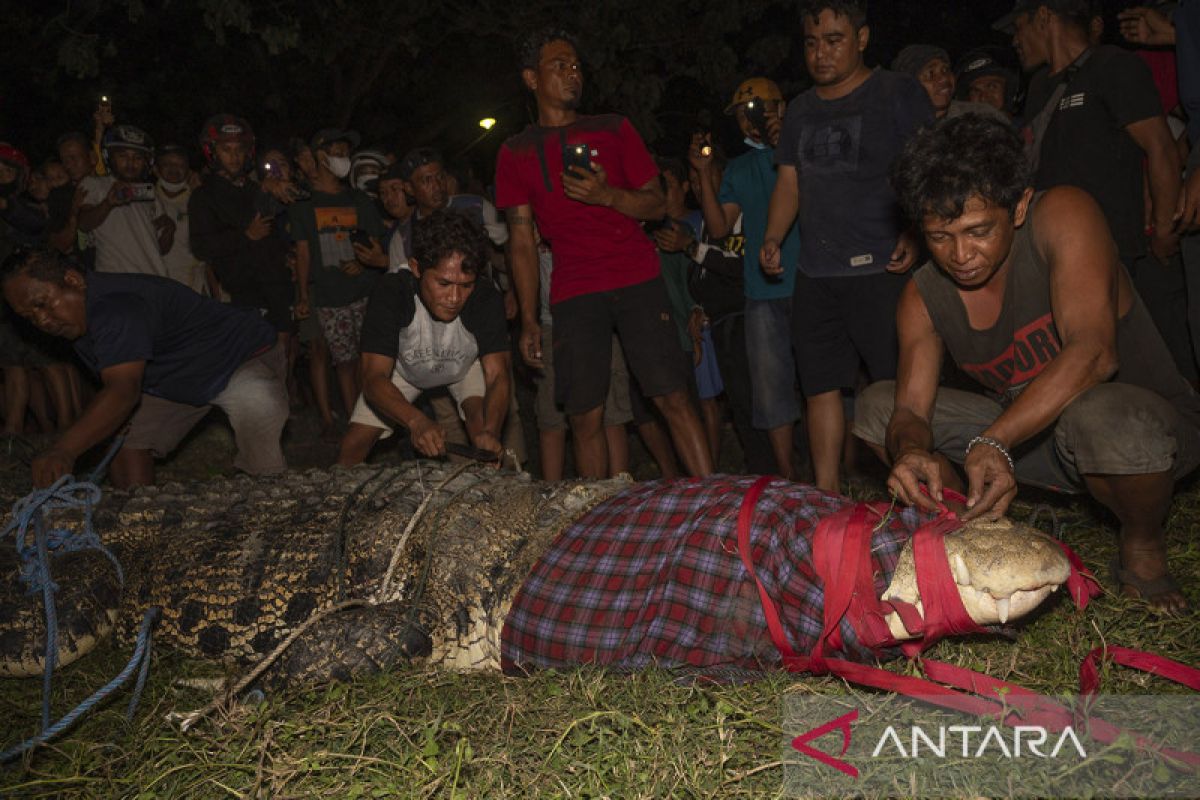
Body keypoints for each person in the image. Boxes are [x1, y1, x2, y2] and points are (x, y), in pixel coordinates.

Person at [854, 115, 1200, 614]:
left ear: (1018, 207)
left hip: (1146, 434)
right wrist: (910, 451)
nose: (960, 254)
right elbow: (909, 410)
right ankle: (976, 530)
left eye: (978, 231)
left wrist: (994, 440)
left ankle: (1142, 544)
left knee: (1099, 413)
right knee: (875, 408)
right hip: (1034, 441)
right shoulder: (923, 296)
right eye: (940, 236)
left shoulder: (1062, 215)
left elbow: (1095, 353)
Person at [496, 27, 713, 479]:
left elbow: (656, 203)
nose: (573, 73)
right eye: (560, 65)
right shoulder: (515, 152)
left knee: (671, 395)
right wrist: (530, 320)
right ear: (532, 78)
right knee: (584, 414)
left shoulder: (613, 128)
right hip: (575, 290)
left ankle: (714, 502)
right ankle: (594, 521)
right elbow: (520, 239)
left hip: (636, 276)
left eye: (576, 65)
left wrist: (607, 195)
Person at [762, 0, 932, 492]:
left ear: (861, 38)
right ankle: (826, 498)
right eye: (812, 43)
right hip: (817, 272)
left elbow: (926, 168)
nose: (821, 53)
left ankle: (919, 491)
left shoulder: (896, 93)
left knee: (896, 388)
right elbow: (789, 185)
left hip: (883, 268)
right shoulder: (799, 109)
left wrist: (915, 233)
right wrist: (773, 237)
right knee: (819, 387)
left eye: (834, 40)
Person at [1002, 0, 1192, 381]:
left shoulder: (1113, 66)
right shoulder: (1039, 87)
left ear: (1044, 18)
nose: (1015, 41)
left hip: (1124, 258)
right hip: (1058, 262)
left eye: (1019, 28)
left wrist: (1165, 228)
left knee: (1162, 373)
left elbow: (1160, 147)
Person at [1, 247, 289, 489]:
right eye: (29, 316)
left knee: (258, 410)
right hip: (174, 376)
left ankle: (273, 507)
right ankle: (141, 526)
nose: (42, 321)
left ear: (73, 281)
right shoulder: (77, 315)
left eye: (42, 304)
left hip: (238, 356)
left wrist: (63, 450)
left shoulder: (116, 308)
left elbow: (123, 390)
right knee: (125, 442)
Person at [690, 77, 803, 479]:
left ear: (782, 108)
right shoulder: (738, 167)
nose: (748, 120)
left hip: (811, 281)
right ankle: (788, 477)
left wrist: (786, 143)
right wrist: (703, 173)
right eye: (741, 114)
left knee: (825, 384)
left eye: (758, 109)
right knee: (770, 389)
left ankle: (835, 476)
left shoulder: (804, 148)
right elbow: (720, 229)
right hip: (762, 291)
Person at [336, 211, 510, 464]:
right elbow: (373, 378)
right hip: (403, 366)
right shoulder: (392, 292)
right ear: (417, 268)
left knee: (482, 429)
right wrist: (416, 421)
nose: (454, 298)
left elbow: (498, 375)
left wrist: (491, 433)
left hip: (464, 363)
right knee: (354, 444)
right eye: (443, 283)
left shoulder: (485, 297)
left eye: (465, 286)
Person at [288, 127, 387, 425]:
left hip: (364, 292)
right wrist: (304, 296)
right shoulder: (304, 205)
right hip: (330, 297)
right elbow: (303, 253)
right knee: (344, 364)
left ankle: (377, 420)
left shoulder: (359, 200)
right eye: (337, 152)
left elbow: (376, 243)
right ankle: (359, 423)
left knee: (370, 361)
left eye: (347, 153)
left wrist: (364, 262)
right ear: (320, 156)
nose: (344, 158)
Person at [189, 115, 295, 343]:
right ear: (213, 152)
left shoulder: (257, 188)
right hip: (241, 298)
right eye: (226, 149)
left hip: (277, 291)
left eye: (239, 149)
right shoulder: (203, 196)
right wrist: (245, 236)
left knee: (285, 361)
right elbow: (200, 246)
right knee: (250, 369)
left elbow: (274, 232)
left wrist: (289, 256)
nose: (234, 156)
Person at [76, 124, 177, 279]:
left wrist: (170, 229)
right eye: (123, 156)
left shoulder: (149, 193)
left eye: (137, 158)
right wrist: (108, 203)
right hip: (115, 279)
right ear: (109, 156)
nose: (130, 163)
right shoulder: (94, 184)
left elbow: (159, 249)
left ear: (146, 163)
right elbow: (83, 223)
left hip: (155, 278)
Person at [891, 45, 1010, 122]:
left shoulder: (982, 117)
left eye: (945, 70)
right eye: (930, 74)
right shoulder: (896, 130)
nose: (943, 78)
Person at [154, 144, 207, 294]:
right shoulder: (145, 200)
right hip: (157, 280)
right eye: (167, 164)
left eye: (180, 165)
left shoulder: (198, 199)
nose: (173, 169)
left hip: (193, 283)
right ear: (156, 169)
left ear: (189, 171)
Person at [954, 49, 1021, 121]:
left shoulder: (1028, 129)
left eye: (992, 86)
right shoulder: (956, 130)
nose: (983, 98)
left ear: (1007, 91)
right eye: (976, 91)